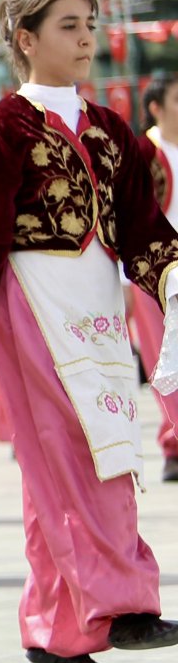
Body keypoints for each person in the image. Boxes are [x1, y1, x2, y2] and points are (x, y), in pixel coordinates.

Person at [0, 0, 178, 663]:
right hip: (30, 305)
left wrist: (171, 277)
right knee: (71, 451)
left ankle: (56, 628)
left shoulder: (110, 128)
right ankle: (125, 602)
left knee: (89, 450)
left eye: (90, 23)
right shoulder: (4, 128)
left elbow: (145, 226)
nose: (87, 36)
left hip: (95, 304)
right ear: (25, 40)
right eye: (68, 25)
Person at [131, 76, 178, 483]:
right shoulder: (142, 152)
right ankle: (173, 443)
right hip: (154, 275)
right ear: (156, 107)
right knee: (164, 361)